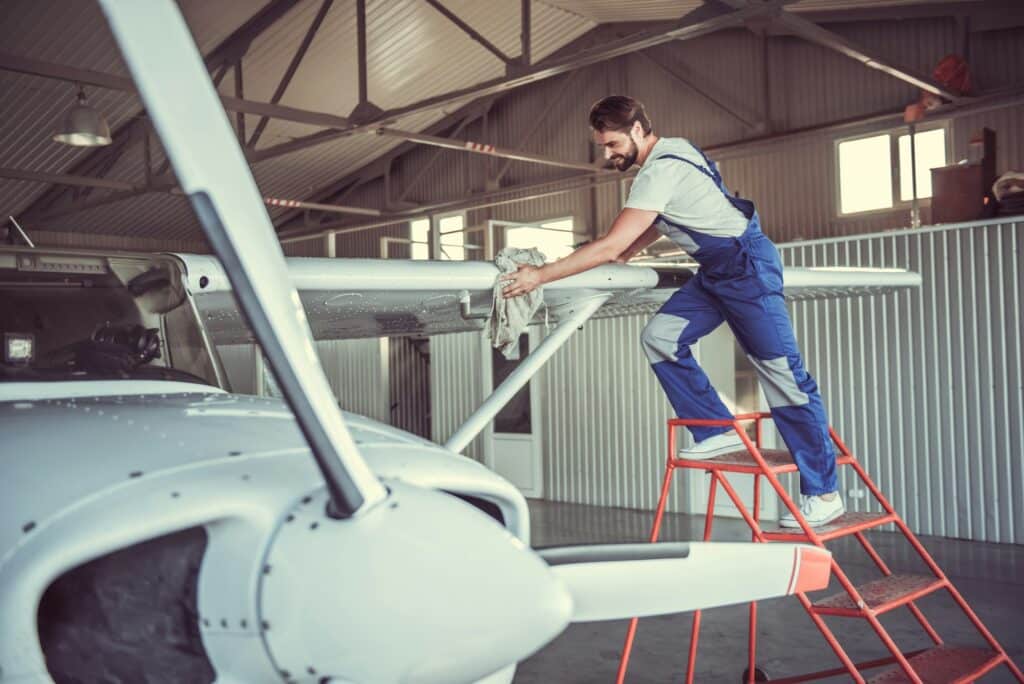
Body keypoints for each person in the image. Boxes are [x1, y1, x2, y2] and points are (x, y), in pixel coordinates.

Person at [500, 95, 843, 527]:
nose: (609, 154)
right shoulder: (679, 147)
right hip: (715, 272)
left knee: (784, 375)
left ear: (638, 130)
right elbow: (665, 218)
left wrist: (540, 276)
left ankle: (824, 491)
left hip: (746, 270)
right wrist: (630, 249)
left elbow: (607, 243)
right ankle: (714, 429)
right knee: (660, 337)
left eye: (611, 144)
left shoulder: (657, 172)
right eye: (604, 147)